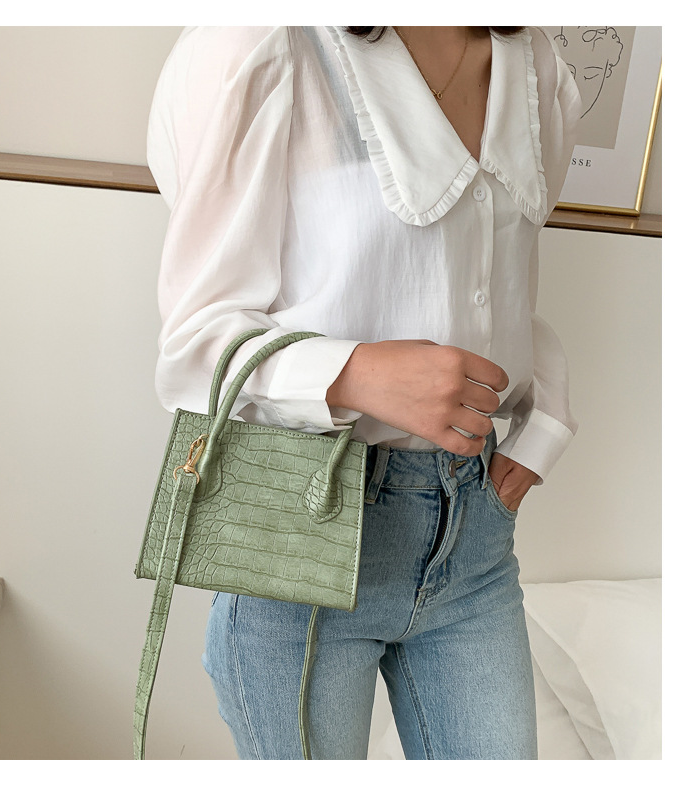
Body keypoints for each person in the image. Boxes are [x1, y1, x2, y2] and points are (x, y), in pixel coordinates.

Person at [146, 25, 581, 760]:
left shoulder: (537, 63)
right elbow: (195, 345)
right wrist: (358, 374)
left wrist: (545, 425)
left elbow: (493, 285)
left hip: (472, 535)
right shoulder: (264, 44)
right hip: (303, 534)